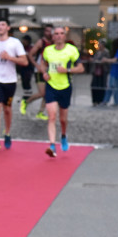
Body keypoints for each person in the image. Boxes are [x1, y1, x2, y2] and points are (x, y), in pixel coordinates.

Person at [40, 26, 85, 157]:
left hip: (65, 87)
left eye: (61, 34)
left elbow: (81, 68)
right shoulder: (47, 50)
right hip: (51, 87)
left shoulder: (71, 50)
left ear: (65, 36)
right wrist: (44, 73)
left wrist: (67, 70)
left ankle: (63, 135)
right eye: (56, 34)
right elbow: (43, 64)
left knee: (63, 119)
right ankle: (52, 145)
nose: (59, 36)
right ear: (53, 37)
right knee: (52, 116)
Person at [0, 17, 28, 150]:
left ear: (8, 28)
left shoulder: (15, 43)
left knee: (7, 109)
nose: (0, 27)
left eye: (3, 25)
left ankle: (7, 133)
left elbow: (25, 62)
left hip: (10, 80)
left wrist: (9, 57)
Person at [20, 23, 53, 120]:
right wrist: (37, 65)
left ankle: (41, 112)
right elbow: (30, 54)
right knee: (42, 93)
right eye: (47, 30)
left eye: (50, 31)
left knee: (48, 93)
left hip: (50, 70)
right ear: (44, 32)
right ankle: (26, 102)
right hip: (40, 70)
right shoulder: (41, 42)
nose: (49, 33)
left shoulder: (54, 41)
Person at [102, 38, 118, 107]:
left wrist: (106, 60)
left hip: (116, 71)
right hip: (116, 71)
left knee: (113, 86)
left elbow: (114, 60)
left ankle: (110, 101)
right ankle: (109, 101)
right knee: (113, 87)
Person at [90, 39, 110, 106]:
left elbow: (105, 61)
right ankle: (94, 100)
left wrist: (98, 61)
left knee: (101, 86)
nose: (99, 46)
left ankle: (100, 100)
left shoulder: (106, 52)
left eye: (100, 44)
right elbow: (95, 59)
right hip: (96, 71)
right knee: (94, 85)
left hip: (102, 71)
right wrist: (93, 60)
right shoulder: (97, 52)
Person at [17, 34, 35, 105]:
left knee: (27, 81)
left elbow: (31, 56)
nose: (23, 42)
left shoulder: (31, 47)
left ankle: (28, 96)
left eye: (25, 40)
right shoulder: (21, 48)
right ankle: (26, 95)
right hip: (22, 67)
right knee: (24, 82)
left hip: (29, 67)